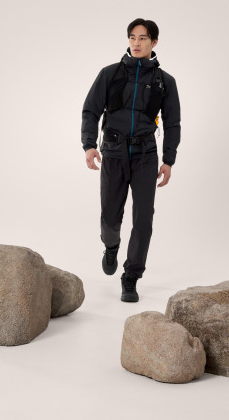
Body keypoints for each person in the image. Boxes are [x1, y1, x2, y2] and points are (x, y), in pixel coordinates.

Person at [81, 18, 181, 302]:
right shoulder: (110, 74)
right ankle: (111, 246)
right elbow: (91, 110)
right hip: (113, 152)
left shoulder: (165, 82)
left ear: (154, 42)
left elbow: (173, 123)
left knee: (143, 218)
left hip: (146, 155)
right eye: (132, 37)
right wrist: (89, 145)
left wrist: (168, 160)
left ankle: (131, 276)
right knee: (110, 216)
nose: (136, 43)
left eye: (143, 38)